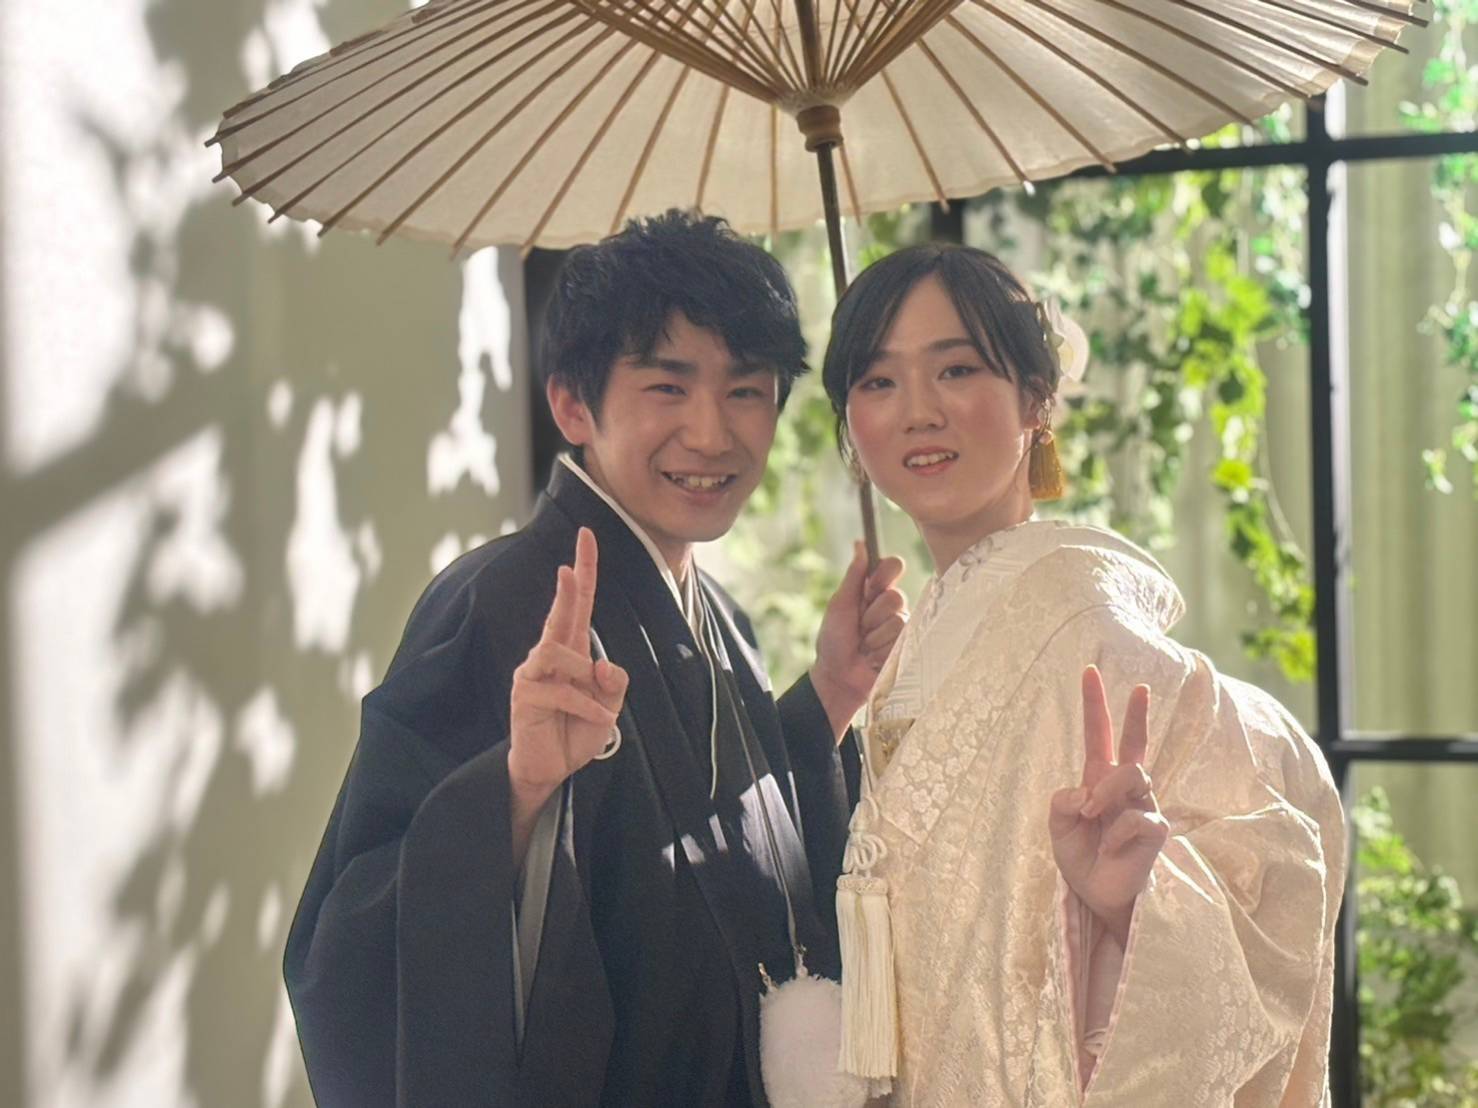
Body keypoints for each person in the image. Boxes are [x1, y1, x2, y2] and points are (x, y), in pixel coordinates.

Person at [283, 210, 908, 1107]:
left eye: (746, 390)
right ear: (573, 404)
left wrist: (829, 698)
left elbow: (734, 852)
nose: (711, 434)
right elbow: (349, 938)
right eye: (667, 387)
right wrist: (513, 789)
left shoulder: (721, 617)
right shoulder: (502, 604)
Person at [821, 243, 1345, 1106]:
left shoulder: (1091, 629)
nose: (917, 411)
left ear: (1036, 399)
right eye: (877, 381)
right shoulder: (908, 644)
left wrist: (1132, 906)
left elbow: (1269, 866)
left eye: (956, 369)